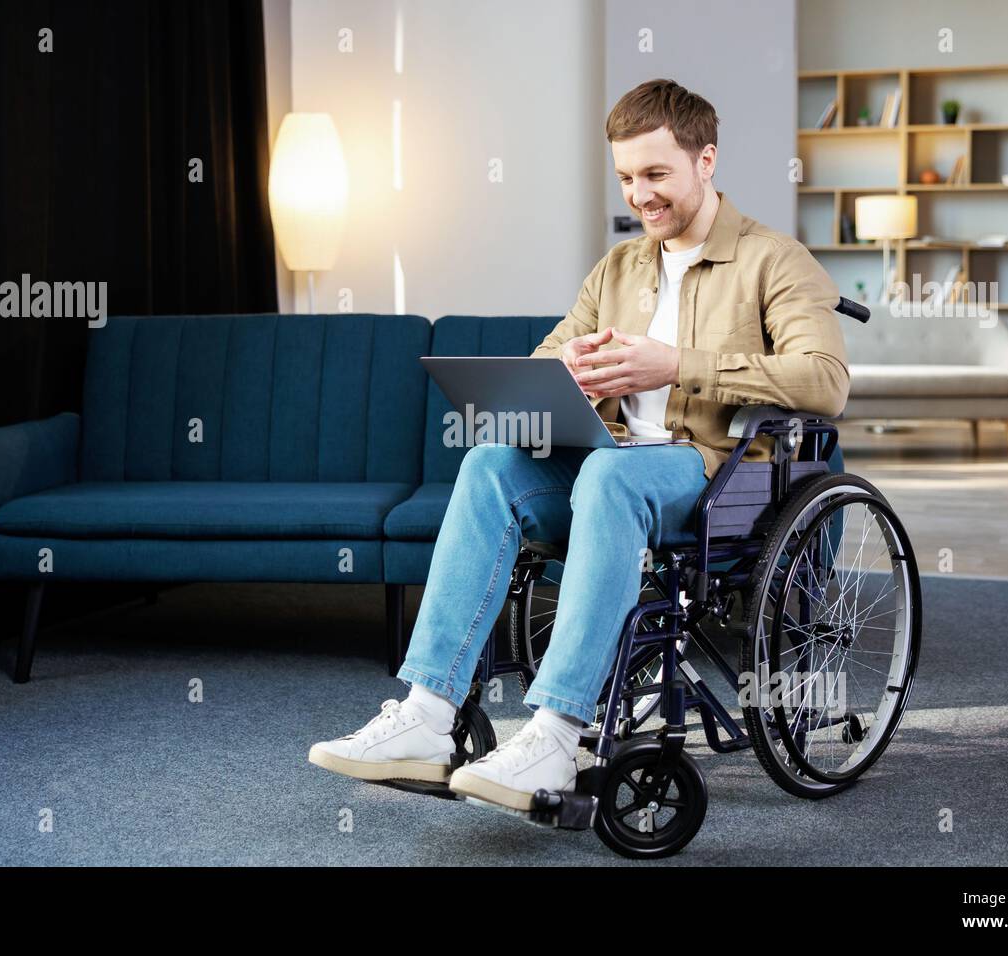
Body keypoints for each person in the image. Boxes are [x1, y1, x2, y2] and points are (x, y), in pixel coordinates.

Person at [308, 78, 850, 812]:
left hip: (714, 475)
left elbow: (825, 383)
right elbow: (546, 357)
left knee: (608, 479)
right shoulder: (620, 269)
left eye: (656, 174)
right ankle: (427, 717)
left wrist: (677, 363)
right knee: (491, 465)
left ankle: (557, 736)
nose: (640, 195)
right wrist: (565, 372)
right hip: (613, 464)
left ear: (706, 160)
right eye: (627, 177)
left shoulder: (774, 262)